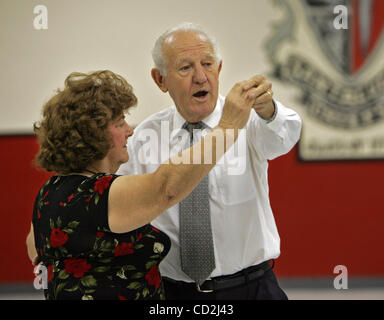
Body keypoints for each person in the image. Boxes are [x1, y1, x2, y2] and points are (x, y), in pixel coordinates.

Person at [25, 69, 260, 300]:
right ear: (92, 134)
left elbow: (34, 244)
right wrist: (228, 127)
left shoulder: (52, 190)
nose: (129, 131)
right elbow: (166, 188)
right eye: (119, 123)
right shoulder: (98, 193)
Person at [117, 23, 302, 300]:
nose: (201, 77)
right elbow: (121, 206)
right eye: (185, 68)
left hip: (252, 288)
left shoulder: (248, 119)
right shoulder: (144, 137)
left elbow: (285, 135)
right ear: (160, 79)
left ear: (219, 68)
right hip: (172, 292)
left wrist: (269, 110)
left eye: (207, 64)